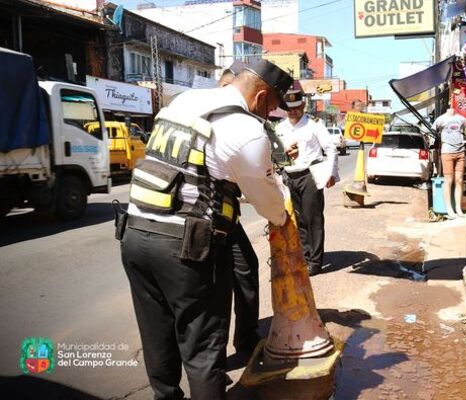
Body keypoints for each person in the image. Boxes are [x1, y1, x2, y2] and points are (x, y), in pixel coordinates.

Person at [117, 59, 293, 400]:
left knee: (158, 337)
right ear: (260, 97)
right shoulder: (245, 129)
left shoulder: (185, 101)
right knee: (203, 353)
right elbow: (270, 205)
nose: (271, 113)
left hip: (135, 234)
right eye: (273, 105)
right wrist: (285, 219)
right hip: (187, 250)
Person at [218, 61, 261, 353]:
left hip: (227, 214)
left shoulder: (241, 122)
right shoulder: (206, 117)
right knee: (216, 289)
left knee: (247, 268)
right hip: (201, 219)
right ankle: (212, 358)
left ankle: (245, 337)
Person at [276, 89, 339, 276]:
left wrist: (331, 174)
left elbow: (331, 149)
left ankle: (315, 261)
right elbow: (276, 154)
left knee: (313, 219)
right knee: (298, 220)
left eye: (296, 107)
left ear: (303, 106)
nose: (293, 111)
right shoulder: (280, 128)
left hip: (310, 175)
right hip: (289, 177)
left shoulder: (314, 125)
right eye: (289, 108)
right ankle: (304, 255)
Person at [432, 107, 466, 219]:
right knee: (448, 180)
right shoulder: (440, 119)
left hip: (460, 152)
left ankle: (458, 208)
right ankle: (449, 208)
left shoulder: (461, 119)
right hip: (447, 152)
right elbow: (433, 131)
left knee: (459, 180)